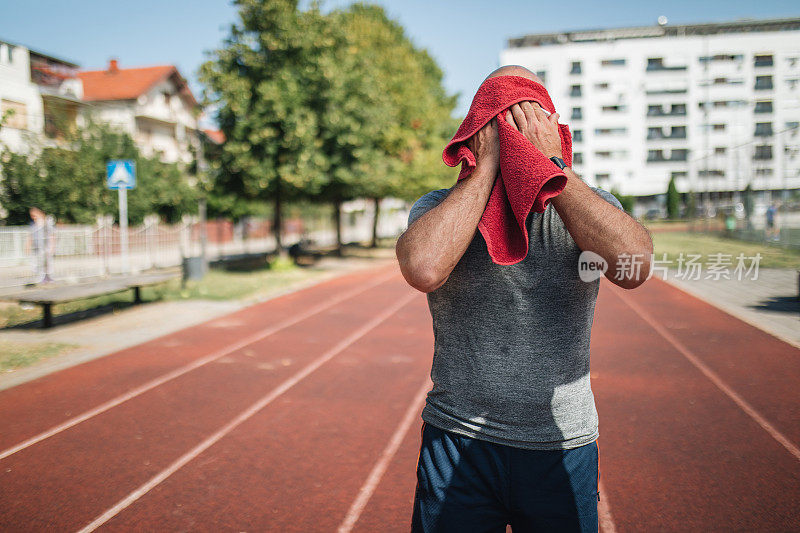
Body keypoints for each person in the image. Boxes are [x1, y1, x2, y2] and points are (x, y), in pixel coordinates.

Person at [396, 65, 653, 533]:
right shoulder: (436, 208)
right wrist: (484, 171)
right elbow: (424, 268)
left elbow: (634, 266)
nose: (514, 132)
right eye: (499, 123)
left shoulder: (586, 209)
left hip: (562, 440)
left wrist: (554, 171)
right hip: (457, 436)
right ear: (477, 135)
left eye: (527, 118)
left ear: (550, 129)